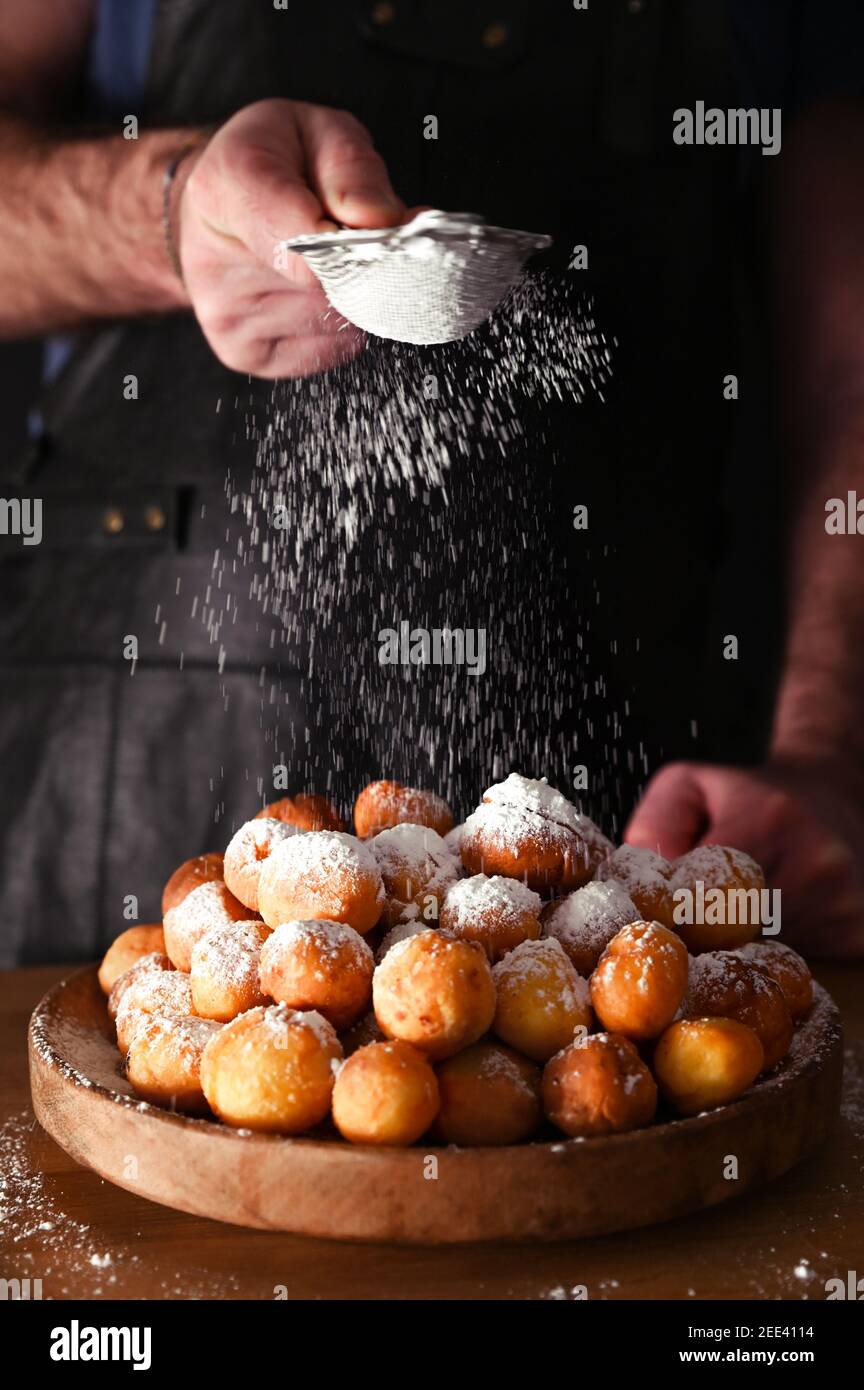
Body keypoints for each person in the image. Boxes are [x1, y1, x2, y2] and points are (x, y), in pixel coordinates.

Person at [0, 0, 862, 964]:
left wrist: (827, 749)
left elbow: (849, 362)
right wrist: (166, 214)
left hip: (619, 777)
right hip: (128, 756)